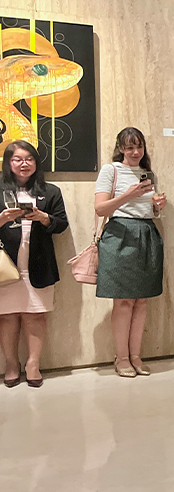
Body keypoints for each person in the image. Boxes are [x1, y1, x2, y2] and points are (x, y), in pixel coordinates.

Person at [94, 128, 167, 377]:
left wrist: (157, 207)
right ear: (120, 148)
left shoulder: (149, 174)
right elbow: (101, 208)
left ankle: (136, 356)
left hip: (147, 233)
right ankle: (122, 358)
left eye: (139, 147)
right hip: (119, 234)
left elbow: (148, 210)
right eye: (129, 147)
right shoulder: (110, 170)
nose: (135, 152)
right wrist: (127, 195)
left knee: (142, 300)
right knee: (123, 301)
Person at [0, 141, 69, 388]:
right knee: (7, 317)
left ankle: (32, 364)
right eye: (18, 159)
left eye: (29, 159)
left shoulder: (50, 191)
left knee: (36, 315)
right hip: (6, 267)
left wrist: (43, 217)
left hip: (38, 263)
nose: (24, 163)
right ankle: (10, 364)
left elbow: (61, 224)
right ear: (8, 162)